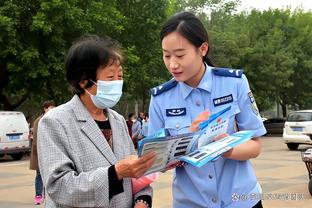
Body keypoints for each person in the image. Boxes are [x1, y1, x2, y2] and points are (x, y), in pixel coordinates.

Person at [148, 11, 267, 208]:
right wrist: (188, 139)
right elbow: (156, 162)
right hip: (191, 203)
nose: (172, 64)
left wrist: (228, 149)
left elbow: (255, 145)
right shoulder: (161, 99)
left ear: (202, 49)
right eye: (166, 55)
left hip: (241, 200)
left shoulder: (234, 83)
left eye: (180, 55)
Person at [37, 35, 156, 208]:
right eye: (110, 77)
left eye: (120, 76)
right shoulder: (55, 122)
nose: (117, 83)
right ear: (84, 81)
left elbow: (137, 177)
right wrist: (115, 173)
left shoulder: (118, 121)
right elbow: (59, 187)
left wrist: (142, 200)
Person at [30, 100, 56, 205]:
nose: (52, 109)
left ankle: (47, 196)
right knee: (40, 176)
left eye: (53, 107)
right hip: (40, 153)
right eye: (50, 107)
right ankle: (38, 196)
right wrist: (43, 152)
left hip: (51, 153)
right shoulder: (39, 121)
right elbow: (36, 140)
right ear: (44, 108)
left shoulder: (54, 119)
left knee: (49, 176)